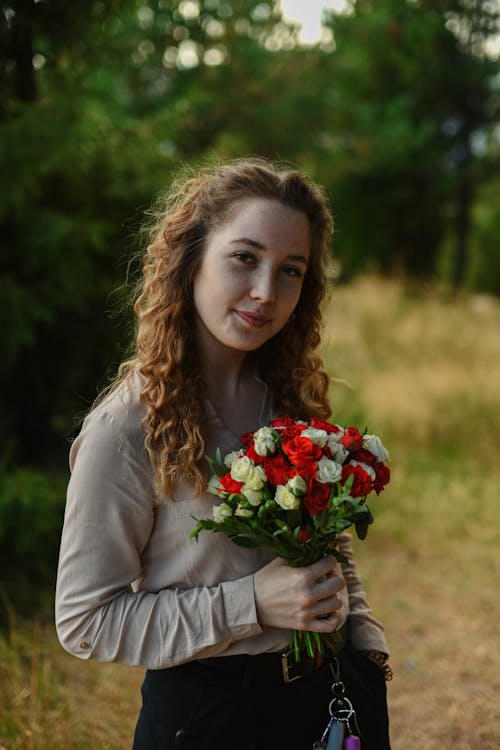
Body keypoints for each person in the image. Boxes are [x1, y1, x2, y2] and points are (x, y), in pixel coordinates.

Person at [55, 158, 391, 750]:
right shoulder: (127, 429)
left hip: (329, 696)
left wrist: (365, 641)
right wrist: (252, 603)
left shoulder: (290, 398)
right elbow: (86, 623)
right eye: (244, 257)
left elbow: (326, 547)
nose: (266, 292)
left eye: (291, 270)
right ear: (192, 260)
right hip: (209, 718)